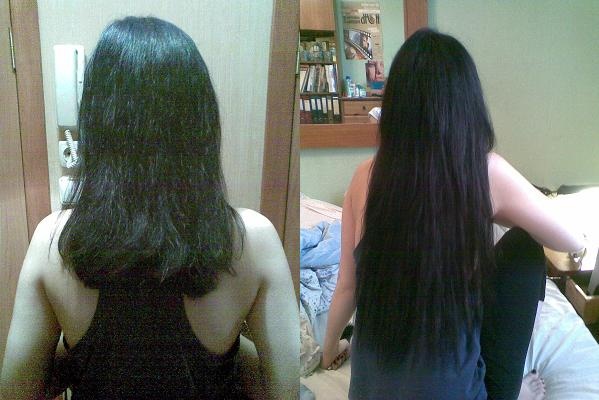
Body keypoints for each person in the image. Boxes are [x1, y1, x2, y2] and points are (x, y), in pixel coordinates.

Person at [0, 17, 298, 399]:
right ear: (202, 123)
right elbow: (283, 389)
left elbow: (17, 389)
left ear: (96, 120)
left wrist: (81, 354)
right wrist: (225, 350)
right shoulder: (254, 240)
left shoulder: (53, 241)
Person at [321, 29, 587, 400]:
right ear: (467, 107)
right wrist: (500, 210)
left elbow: (347, 287)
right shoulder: (485, 172)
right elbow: (571, 240)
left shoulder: (364, 175)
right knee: (525, 249)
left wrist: (329, 350)